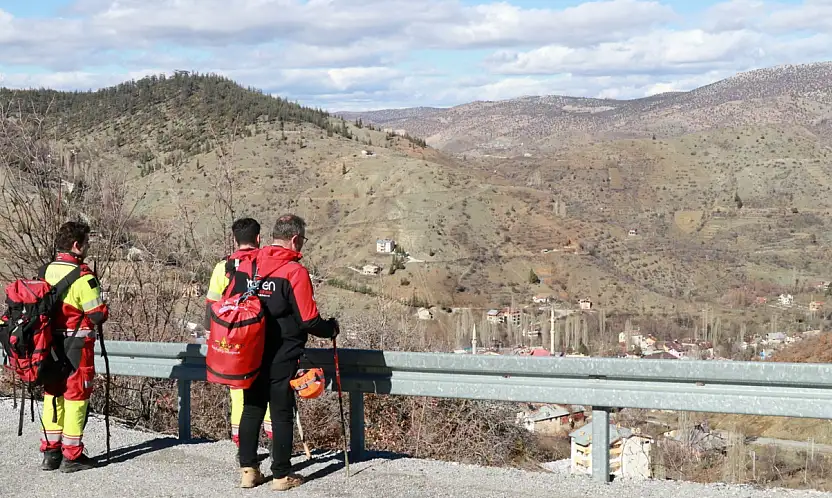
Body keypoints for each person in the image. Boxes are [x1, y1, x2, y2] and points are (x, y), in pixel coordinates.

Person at [236, 214, 339, 490]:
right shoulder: (295, 272)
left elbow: (234, 301)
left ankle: (248, 471)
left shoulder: (250, 264)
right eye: (302, 240)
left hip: (249, 350)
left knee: (251, 408)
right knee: (281, 412)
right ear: (295, 239)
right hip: (282, 352)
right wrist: (332, 329)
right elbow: (309, 320)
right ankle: (281, 475)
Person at [40, 221, 109, 473]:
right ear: (77, 245)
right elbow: (98, 314)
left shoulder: (44, 271)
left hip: (47, 345)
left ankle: (50, 452)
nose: (88, 248)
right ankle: (73, 455)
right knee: (76, 396)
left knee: (53, 394)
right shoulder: (83, 277)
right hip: (76, 345)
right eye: (87, 243)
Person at [204, 217, 272, 450]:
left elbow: (211, 306)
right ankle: (274, 448)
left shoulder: (224, 267)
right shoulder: (269, 264)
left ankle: (243, 452)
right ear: (259, 238)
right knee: (270, 391)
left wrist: (213, 338)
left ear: (235, 240)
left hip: (235, 341)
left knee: (238, 394)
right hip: (265, 338)